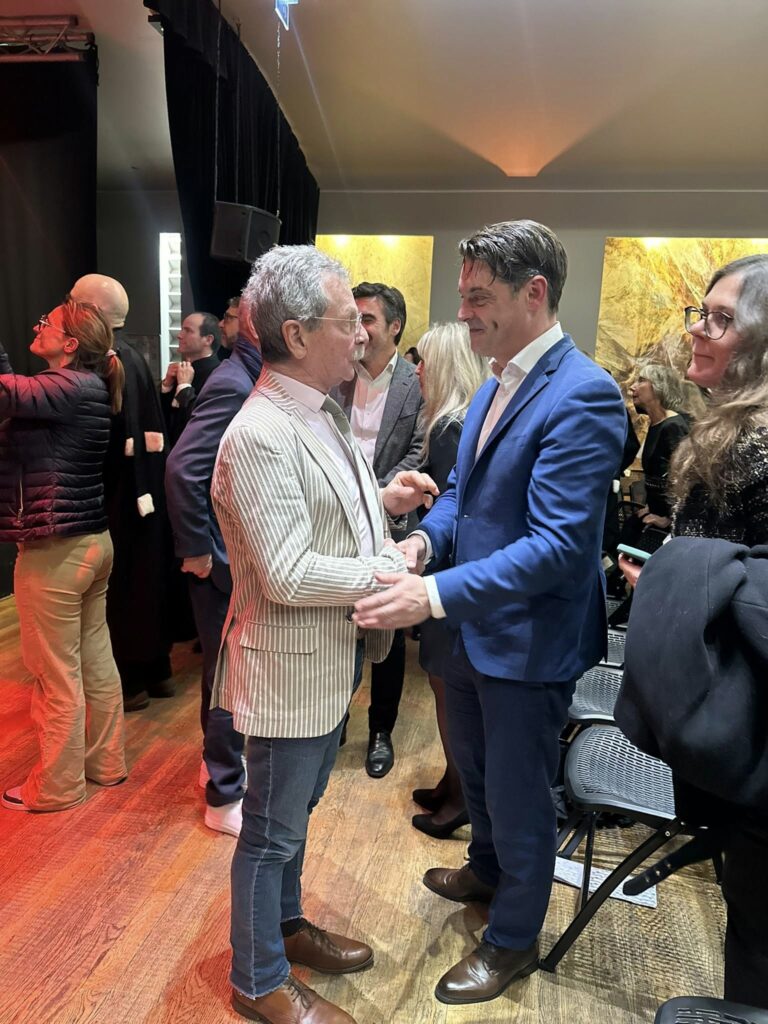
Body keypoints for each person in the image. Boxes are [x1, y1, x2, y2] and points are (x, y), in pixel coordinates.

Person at [354, 220, 626, 1005]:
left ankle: (511, 937)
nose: (463, 312)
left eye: (478, 297)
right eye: (464, 295)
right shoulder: (495, 383)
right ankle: (486, 869)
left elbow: (558, 548)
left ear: (533, 293)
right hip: (471, 631)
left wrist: (433, 594)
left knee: (519, 794)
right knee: (476, 774)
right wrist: (422, 544)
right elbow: (461, 502)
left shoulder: (585, 394)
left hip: (528, 641)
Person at [211, 245, 417, 1024]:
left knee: (293, 816)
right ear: (296, 335)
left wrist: (384, 506)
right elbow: (289, 573)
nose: (361, 334)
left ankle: (286, 927)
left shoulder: (319, 410)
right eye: (345, 322)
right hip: (289, 667)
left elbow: (332, 510)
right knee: (269, 832)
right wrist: (387, 572)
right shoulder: (261, 432)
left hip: (326, 659)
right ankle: (257, 979)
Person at [619, 253, 768, 1009]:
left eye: (722, 319)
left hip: (751, 732)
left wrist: (671, 588)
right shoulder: (728, 430)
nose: (698, 332)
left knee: (758, 936)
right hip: (741, 728)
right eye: (699, 314)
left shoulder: (750, 445)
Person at [0, 300, 128, 812]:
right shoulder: (86, 385)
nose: (38, 327)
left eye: (46, 323)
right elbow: (14, 394)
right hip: (90, 544)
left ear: (70, 344)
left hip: (55, 552)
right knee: (94, 662)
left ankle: (55, 787)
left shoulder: (65, 386)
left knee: (55, 674)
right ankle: (105, 763)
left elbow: (6, 393)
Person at [165, 306, 263, 838]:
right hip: (221, 560)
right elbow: (184, 468)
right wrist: (199, 549)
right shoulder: (234, 382)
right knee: (229, 675)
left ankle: (215, 767)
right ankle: (224, 793)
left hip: (228, 557)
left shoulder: (242, 375)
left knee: (223, 673)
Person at [69, 274, 173, 712]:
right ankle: (156, 670)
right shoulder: (133, 355)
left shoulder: (100, 361)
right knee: (144, 577)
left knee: (120, 587)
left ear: (90, 312)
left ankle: (129, 680)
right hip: (143, 492)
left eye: (72, 303)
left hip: (113, 494)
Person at [332, 282, 424, 779]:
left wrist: (376, 498)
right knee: (340, 626)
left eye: (367, 319)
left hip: (393, 523)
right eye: (354, 318)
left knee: (387, 632)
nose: (359, 329)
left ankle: (381, 730)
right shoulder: (335, 372)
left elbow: (418, 452)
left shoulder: (415, 382)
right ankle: (335, 720)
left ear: (394, 327)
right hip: (336, 522)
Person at [409, 321, 489, 839]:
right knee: (445, 685)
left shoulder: (448, 428)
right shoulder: (460, 422)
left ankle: (460, 795)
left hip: (448, 574)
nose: (417, 370)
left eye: (425, 361)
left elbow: (453, 506)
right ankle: (452, 782)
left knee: (446, 687)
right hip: (452, 570)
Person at [628, 363, 689, 529]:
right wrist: (652, 507)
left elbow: (687, 480)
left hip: (670, 525)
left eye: (641, 380)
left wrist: (668, 520)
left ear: (659, 387)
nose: (632, 387)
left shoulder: (673, 426)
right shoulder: (656, 424)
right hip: (656, 514)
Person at [161, 312, 221, 447]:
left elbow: (202, 424)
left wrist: (184, 387)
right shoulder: (180, 370)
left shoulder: (219, 376)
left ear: (208, 340)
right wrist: (166, 386)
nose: (179, 335)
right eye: (182, 329)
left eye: (188, 331)